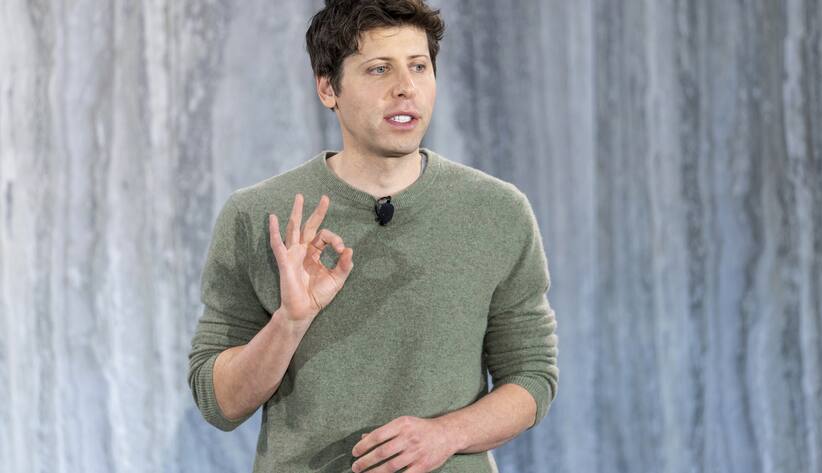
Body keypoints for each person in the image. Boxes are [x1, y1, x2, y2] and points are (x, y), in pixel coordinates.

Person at [187, 0, 558, 471]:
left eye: (419, 67)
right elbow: (217, 403)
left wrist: (446, 435)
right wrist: (290, 323)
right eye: (379, 69)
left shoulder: (499, 211)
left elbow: (532, 376)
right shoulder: (256, 215)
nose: (405, 88)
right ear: (328, 88)